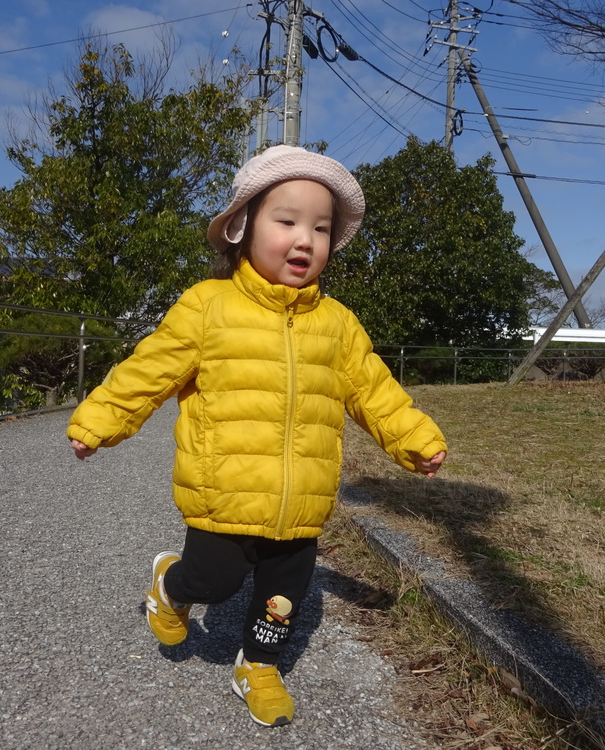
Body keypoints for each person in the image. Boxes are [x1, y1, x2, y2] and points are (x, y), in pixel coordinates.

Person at [67, 145, 447, 728]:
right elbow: (148, 372)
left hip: (303, 501)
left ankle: (260, 664)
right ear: (243, 227)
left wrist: (414, 437)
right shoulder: (207, 307)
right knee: (212, 583)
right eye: (287, 221)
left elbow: (375, 390)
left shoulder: (338, 324)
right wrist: (99, 421)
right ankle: (171, 586)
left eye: (321, 229)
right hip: (224, 494)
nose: (305, 240)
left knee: (282, 597)